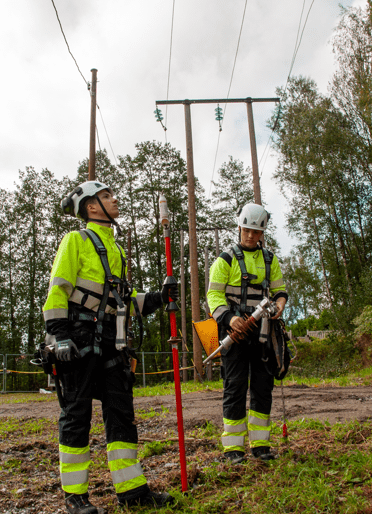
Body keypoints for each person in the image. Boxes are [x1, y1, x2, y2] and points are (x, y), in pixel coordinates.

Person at [42, 180, 178, 514]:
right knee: (77, 416)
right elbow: (58, 290)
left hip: (112, 343)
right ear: (90, 207)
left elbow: (122, 302)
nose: (114, 200)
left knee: (121, 414)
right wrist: (58, 336)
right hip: (77, 339)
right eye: (106, 196)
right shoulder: (75, 240)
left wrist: (160, 298)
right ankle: (76, 498)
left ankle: (132, 491)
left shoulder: (116, 250)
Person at [206, 203, 288, 464]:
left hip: (263, 332)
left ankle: (261, 445)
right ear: (239, 227)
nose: (251, 236)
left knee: (264, 387)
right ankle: (233, 448)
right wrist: (230, 319)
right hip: (235, 333)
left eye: (256, 231)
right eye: (247, 230)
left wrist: (280, 305)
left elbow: (279, 291)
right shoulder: (225, 260)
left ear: (262, 233)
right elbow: (214, 295)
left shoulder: (270, 260)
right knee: (235, 386)